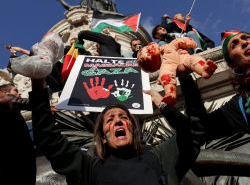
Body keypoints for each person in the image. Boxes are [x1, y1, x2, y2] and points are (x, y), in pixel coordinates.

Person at [30, 74, 203, 185]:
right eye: (110, 120)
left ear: (133, 130)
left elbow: (190, 130)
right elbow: (49, 140)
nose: (118, 121)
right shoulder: (89, 167)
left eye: (124, 117)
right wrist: (38, 84)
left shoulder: (160, 157)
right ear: (103, 137)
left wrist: (163, 101)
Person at [181, 30, 250, 142]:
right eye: (235, 44)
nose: (244, 42)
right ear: (233, 65)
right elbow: (201, 128)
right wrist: (185, 78)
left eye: (246, 37)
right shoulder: (239, 105)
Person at [137, 39, 217, 105]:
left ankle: (203, 69)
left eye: (147, 48)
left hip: (183, 58)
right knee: (165, 77)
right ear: (153, 66)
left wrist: (187, 41)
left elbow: (177, 41)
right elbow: (165, 75)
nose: (150, 49)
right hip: (170, 66)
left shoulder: (167, 47)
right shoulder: (164, 67)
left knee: (195, 59)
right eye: (148, 54)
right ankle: (170, 93)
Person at [0, 83, 36, 185]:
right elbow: (34, 104)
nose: (19, 93)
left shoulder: (13, 107)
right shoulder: (8, 102)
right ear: (4, 93)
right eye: (15, 90)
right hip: (16, 162)